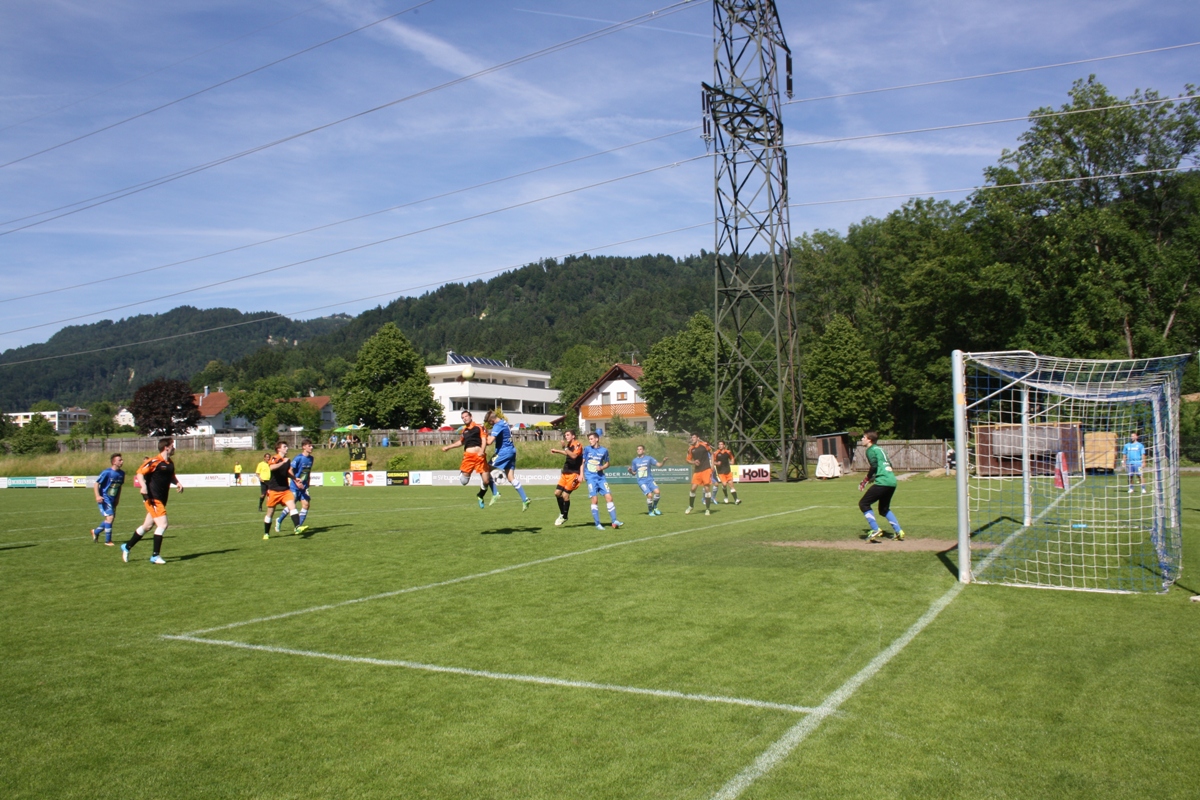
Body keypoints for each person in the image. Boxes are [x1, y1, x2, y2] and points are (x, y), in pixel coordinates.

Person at [121, 438, 182, 564]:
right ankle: (155, 555)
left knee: (147, 526)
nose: (174, 448)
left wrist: (177, 483)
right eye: (172, 445)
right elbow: (139, 473)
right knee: (163, 524)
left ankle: (127, 546)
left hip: (162, 499)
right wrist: (143, 486)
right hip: (153, 498)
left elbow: (171, 476)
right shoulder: (154, 461)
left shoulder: (170, 463)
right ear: (166, 447)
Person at [859, 431, 904, 542]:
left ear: (869, 439)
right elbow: (888, 465)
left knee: (864, 504)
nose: (862, 439)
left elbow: (874, 466)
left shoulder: (870, 450)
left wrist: (866, 480)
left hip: (883, 482)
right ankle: (899, 531)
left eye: (863, 437)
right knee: (884, 509)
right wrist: (875, 477)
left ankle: (875, 529)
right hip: (892, 481)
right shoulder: (880, 449)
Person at [441, 410, 493, 508]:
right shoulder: (464, 431)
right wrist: (448, 447)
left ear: (471, 416)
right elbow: (461, 442)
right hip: (469, 457)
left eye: (466, 416)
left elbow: (483, 439)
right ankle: (462, 473)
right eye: (463, 417)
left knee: (486, 481)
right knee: (464, 482)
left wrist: (482, 450)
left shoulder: (479, 427)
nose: (464, 418)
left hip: (480, 456)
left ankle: (480, 495)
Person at [485, 409, 530, 511]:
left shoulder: (497, 425)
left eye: (489, 422)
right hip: (512, 451)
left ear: (491, 420)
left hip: (503, 452)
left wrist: (482, 436)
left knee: (486, 469)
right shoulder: (504, 422)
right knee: (511, 478)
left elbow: (490, 441)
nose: (490, 425)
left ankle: (495, 493)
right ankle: (525, 499)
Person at [263, 441, 307, 539]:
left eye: (287, 446)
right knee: (270, 513)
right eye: (284, 446)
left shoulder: (287, 460)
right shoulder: (275, 458)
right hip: (274, 490)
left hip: (285, 490)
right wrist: (283, 462)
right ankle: (266, 533)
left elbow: (286, 473)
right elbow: (271, 467)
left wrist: (295, 478)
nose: (287, 448)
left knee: (293, 506)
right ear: (279, 449)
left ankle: (297, 527)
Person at [581, 431, 622, 529]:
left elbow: (607, 463)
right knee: (595, 500)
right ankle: (597, 524)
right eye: (589, 439)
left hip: (601, 478)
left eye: (591, 439)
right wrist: (581, 474)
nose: (590, 441)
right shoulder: (587, 449)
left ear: (597, 439)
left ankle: (614, 520)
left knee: (609, 498)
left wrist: (602, 467)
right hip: (590, 477)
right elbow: (582, 462)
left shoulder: (604, 450)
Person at [275, 438, 315, 532]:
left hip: (304, 486)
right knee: (291, 506)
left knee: (306, 505)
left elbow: (308, 471)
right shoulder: (298, 458)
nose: (311, 447)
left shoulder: (311, 458)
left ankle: (298, 527)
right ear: (304, 447)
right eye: (309, 446)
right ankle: (279, 520)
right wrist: (296, 482)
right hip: (295, 486)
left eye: (311, 445)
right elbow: (290, 470)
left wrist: (308, 482)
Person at [550, 429, 583, 526]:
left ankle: (565, 516)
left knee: (565, 495)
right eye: (565, 435)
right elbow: (567, 453)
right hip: (565, 472)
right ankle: (562, 514)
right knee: (557, 493)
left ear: (573, 436)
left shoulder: (578, 445)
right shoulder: (569, 445)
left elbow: (573, 456)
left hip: (573, 473)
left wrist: (564, 448)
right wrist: (557, 451)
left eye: (568, 435)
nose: (566, 436)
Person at [91, 453, 125, 546]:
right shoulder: (106, 472)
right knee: (110, 517)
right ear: (114, 462)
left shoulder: (122, 473)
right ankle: (108, 541)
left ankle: (95, 532)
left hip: (113, 498)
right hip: (105, 498)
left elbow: (119, 487)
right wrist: (97, 496)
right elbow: (96, 484)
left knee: (110, 519)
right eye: (120, 460)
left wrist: (117, 498)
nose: (122, 461)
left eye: (122, 460)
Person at [629, 444, 665, 516]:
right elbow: (634, 473)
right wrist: (630, 471)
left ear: (644, 451)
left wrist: (663, 461)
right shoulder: (635, 461)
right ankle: (650, 511)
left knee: (657, 492)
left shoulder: (649, 458)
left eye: (640, 449)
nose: (639, 450)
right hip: (641, 481)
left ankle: (655, 507)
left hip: (650, 480)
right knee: (650, 495)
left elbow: (659, 465)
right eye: (637, 449)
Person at [685, 433, 715, 515]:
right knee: (693, 489)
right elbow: (688, 460)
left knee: (707, 488)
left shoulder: (704, 445)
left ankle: (707, 509)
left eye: (694, 437)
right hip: (697, 471)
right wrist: (694, 462)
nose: (692, 438)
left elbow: (712, 453)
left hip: (706, 469)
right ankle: (691, 506)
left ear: (698, 438)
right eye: (692, 437)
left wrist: (712, 465)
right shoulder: (690, 448)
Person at [712, 440, 740, 505]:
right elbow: (713, 461)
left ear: (724, 445)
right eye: (719, 444)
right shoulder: (716, 453)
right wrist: (717, 463)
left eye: (721, 444)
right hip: (721, 472)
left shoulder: (728, 452)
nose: (720, 445)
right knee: (724, 484)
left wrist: (732, 462)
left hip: (728, 471)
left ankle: (736, 500)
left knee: (731, 485)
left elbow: (732, 458)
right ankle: (726, 496)